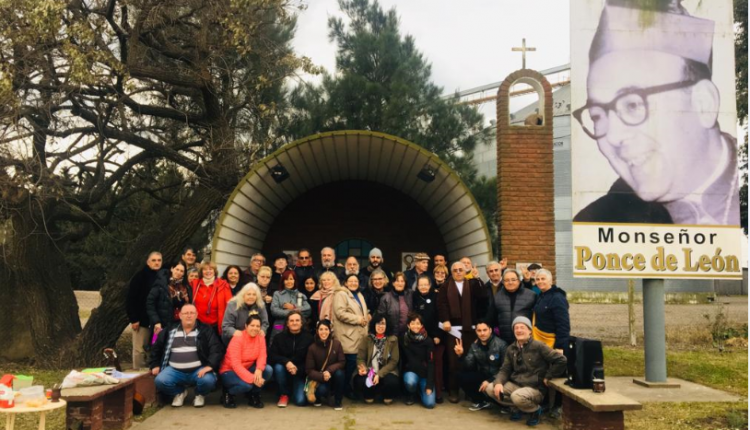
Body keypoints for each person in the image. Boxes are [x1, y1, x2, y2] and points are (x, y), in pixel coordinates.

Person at [572, 1, 739, 225]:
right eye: (597, 115)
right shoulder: (596, 221)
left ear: (704, 103)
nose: (612, 136)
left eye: (632, 105)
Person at [485, 317, 567, 427]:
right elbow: (505, 369)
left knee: (517, 396)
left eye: (522, 327)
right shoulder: (511, 348)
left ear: (530, 331)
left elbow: (561, 360)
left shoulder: (539, 346)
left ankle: (535, 410)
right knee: (490, 388)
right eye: (516, 328)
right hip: (516, 385)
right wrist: (499, 382)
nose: (519, 330)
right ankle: (518, 408)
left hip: (535, 388)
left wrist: (549, 375)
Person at [150, 304, 223, 408]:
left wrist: (209, 366)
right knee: (160, 381)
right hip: (174, 370)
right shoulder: (170, 330)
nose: (189, 316)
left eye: (192, 313)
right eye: (186, 313)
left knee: (208, 381)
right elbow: (156, 347)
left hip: (198, 370)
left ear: (196, 315)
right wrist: (155, 364)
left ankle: (199, 394)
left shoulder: (206, 330)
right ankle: (180, 393)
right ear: (180, 315)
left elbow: (216, 349)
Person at [438, 261, 487, 403]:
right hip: (452, 329)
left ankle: (469, 390)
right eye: (455, 270)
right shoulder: (445, 286)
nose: (458, 272)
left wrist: (478, 279)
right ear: (451, 272)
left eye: (461, 269)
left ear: (466, 271)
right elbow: (441, 305)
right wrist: (445, 319)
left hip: (470, 328)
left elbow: (483, 298)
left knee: (471, 360)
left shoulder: (472, 284)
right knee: (453, 362)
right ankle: (453, 390)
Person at [219, 314, 273, 408]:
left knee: (268, 370)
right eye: (252, 325)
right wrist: (253, 379)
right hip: (229, 370)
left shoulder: (260, 337)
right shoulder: (238, 338)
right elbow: (235, 364)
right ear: (246, 326)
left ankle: (253, 395)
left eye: (257, 326)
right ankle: (228, 392)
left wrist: (259, 369)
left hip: (247, 367)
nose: (255, 328)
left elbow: (262, 355)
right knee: (247, 385)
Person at [454, 321, 507, 412]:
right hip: (484, 374)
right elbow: (468, 366)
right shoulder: (474, 345)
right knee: (460, 376)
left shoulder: (501, 344)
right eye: (479, 330)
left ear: (490, 330)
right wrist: (461, 355)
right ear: (476, 332)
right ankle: (481, 401)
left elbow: (505, 369)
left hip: (499, 376)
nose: (482, 333)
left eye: (485, 330)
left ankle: (505, 405)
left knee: (498, 387)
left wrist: (490, 380)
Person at [331, 273, 369, 398]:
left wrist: (367, 315)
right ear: (345, 283)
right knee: (350, 364)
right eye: (351, 281)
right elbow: (340, 313)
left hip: (359, 336)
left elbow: (361, 311)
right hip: (347, 336)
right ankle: (345, 389)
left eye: (356, 281)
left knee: (355, 364)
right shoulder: (341, 294)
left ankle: (348, 388)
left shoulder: (359, 295)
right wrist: (358, 319)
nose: (353, 283)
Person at [268, 311, 314, 407]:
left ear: (301, 323)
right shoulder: (279, 337)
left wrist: (297, 369)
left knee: (300, 401)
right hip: (284, 370)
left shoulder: (309, 338)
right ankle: (284, 394)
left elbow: (311, 360)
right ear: (287, 324)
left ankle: (295, 390)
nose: (294, 323)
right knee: (278, 367)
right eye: (291, 320)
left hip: (300, 373)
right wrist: (287, 362)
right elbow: (272, 355)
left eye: (297, 320)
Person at [127, 251, 164, 369]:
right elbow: (130, 299)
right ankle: (138, 375)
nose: (156, 263)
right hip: (142, 321)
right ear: (148, 262)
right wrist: (134, 319)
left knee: (154, 349)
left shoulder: (164, 277)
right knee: (139, 350)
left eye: (159, 260)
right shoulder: (140, 277)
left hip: (158, 321)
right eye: (154, 260)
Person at [354, 314, 400, 404]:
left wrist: (379, 374)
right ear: (373, 325)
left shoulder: (393, 340)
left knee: (392, 382)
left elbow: (394, 361)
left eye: (383, 323)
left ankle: (387, 395)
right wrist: (362, 368)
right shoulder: (367, 339)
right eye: (378, 323)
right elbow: (360, 358)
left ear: (387, 325)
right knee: (359, 380)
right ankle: (370, 394)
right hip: (370, 371)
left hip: (386, 372)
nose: (380, 326)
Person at [412, 274, 444, 403]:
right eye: (421, 285)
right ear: (417, 286)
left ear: (430, 285)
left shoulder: (436, 296)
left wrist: (437, 335)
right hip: (418, 337)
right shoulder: (414, 297)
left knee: (436, 364)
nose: (423, 287)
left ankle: (438, 393)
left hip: (435, 337)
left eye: (426, 284)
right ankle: (417, 392)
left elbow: (441, 317)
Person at [486, 268, 537, 345]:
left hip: (526, 340)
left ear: (519, 281)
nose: (510, 282)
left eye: (513, 280)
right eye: (507, 280)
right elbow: (492, 318)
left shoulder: (531, 295)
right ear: (503, 282)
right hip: (503, 340)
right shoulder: (497, 297)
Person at [306, 320, 346, 410]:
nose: (323, 332)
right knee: (321, 390)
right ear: (317, 331)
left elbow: (342, 362)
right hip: (320, 378)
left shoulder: (336, 344)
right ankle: (319, 398)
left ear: (330, 330)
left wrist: (329, 370)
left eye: (326, 329)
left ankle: (338, 400)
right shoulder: (312, 348)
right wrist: (322, 376)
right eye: (321, 329)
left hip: (333, 375)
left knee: (340, 374)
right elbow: (309, 370)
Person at [147, 261, 192, 337]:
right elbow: (149, 303)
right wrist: (156, 321)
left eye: (182, 271)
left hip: (179, 325)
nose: (179, 272)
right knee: (157, 347)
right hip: (161, 325)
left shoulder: (186, 287)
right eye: (177, 269)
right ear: (172, 269)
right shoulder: (161, 284)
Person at [401, 312, 436, 409]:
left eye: (418, 323)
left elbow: (431, 363)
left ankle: (420, 391)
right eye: (412, 323)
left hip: (424, 375)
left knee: (430, 404)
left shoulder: (428, 341)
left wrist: (429, 385)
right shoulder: (404, 339)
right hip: (411, 373)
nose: (415, 326)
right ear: (408, 325)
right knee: (410, 382)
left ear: (421, 325)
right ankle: (411, 393)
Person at [532, 269, 570, 354]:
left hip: (552, 344)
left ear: (550, 281)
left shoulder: (557, 298)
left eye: (543, 279)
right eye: (537, 279)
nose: (540, 281)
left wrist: (560, 346)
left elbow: (563, 324)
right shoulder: (541, 296)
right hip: (540, 342)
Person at [191, 261, 233, 334]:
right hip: (197, 324)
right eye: (205, 269)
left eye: (210, 269)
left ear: (214, 271)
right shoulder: (195, 284)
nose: (208, 271)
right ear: (201, 272)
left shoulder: (223, 285)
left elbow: (230, 306)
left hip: (215, 326)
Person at [270, 270, 312, 342]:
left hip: (297, 326)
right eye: (286, 279)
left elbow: (308, 310)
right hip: (279, 325)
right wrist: (293, 312)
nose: (289, 281)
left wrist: (294, 307)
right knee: (275, 342)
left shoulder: (300, 295)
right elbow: (274, 311)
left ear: (295, 280)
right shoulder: (277, 294)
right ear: (283, 281)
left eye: (291, 279)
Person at [377, 271, 413, 338]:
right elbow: (380, 317)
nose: (400, 283)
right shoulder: (386, 298)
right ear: (393, 283)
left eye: (402, 281)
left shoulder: (410, 295)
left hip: (407, 335)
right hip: (391, 335)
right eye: (397, 281)